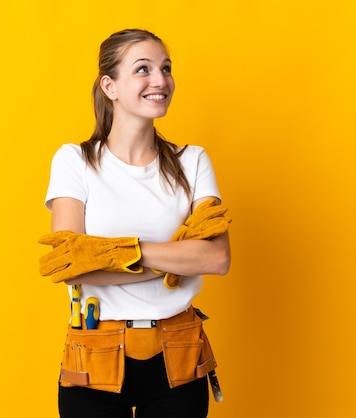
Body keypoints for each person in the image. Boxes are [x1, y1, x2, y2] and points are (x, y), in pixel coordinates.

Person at [38, 28, 231, 418]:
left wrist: (121, 253)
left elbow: (215, 258)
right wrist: (176, 258)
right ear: (109, 86)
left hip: (179, 351)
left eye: (165, 68)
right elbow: (71, 267)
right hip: (95, 354)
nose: (160, 80)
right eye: (143, 69)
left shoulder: (192, 161)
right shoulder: (74, 161)